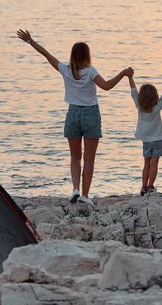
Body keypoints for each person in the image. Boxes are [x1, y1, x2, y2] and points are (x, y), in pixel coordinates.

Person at [16, 29, 133, 206]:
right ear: (87, 55)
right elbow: (107, 86)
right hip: (91, 114)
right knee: (89, 159)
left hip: (72, 114)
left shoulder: (66, 70)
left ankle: (75, 189)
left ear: (72, 55)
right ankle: (85, 195)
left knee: (75, 157)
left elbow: (47, 55)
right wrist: (123, 74)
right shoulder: (91, 71)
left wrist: (30, 41)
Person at [128, 74, 162, 196]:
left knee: (146, 163)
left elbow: (133, 92)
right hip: (157, 139)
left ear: (141, 97)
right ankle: (151, 186)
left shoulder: (139, 107)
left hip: (146, 140)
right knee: (154, 163)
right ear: (154, 97)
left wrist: (130, 77)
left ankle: (143, 187)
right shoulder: (156, 108)